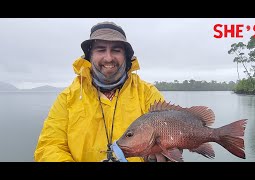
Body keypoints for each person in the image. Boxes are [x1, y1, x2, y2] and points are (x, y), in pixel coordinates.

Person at [34, 21, 169, 162]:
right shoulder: (67, 98)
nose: (109, 58)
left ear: (126, 56)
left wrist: (163, 154)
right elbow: (49, 147)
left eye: (116, 50)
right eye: (101, 49)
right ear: (89, 56)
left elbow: (169, 133)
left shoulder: (147, 93)